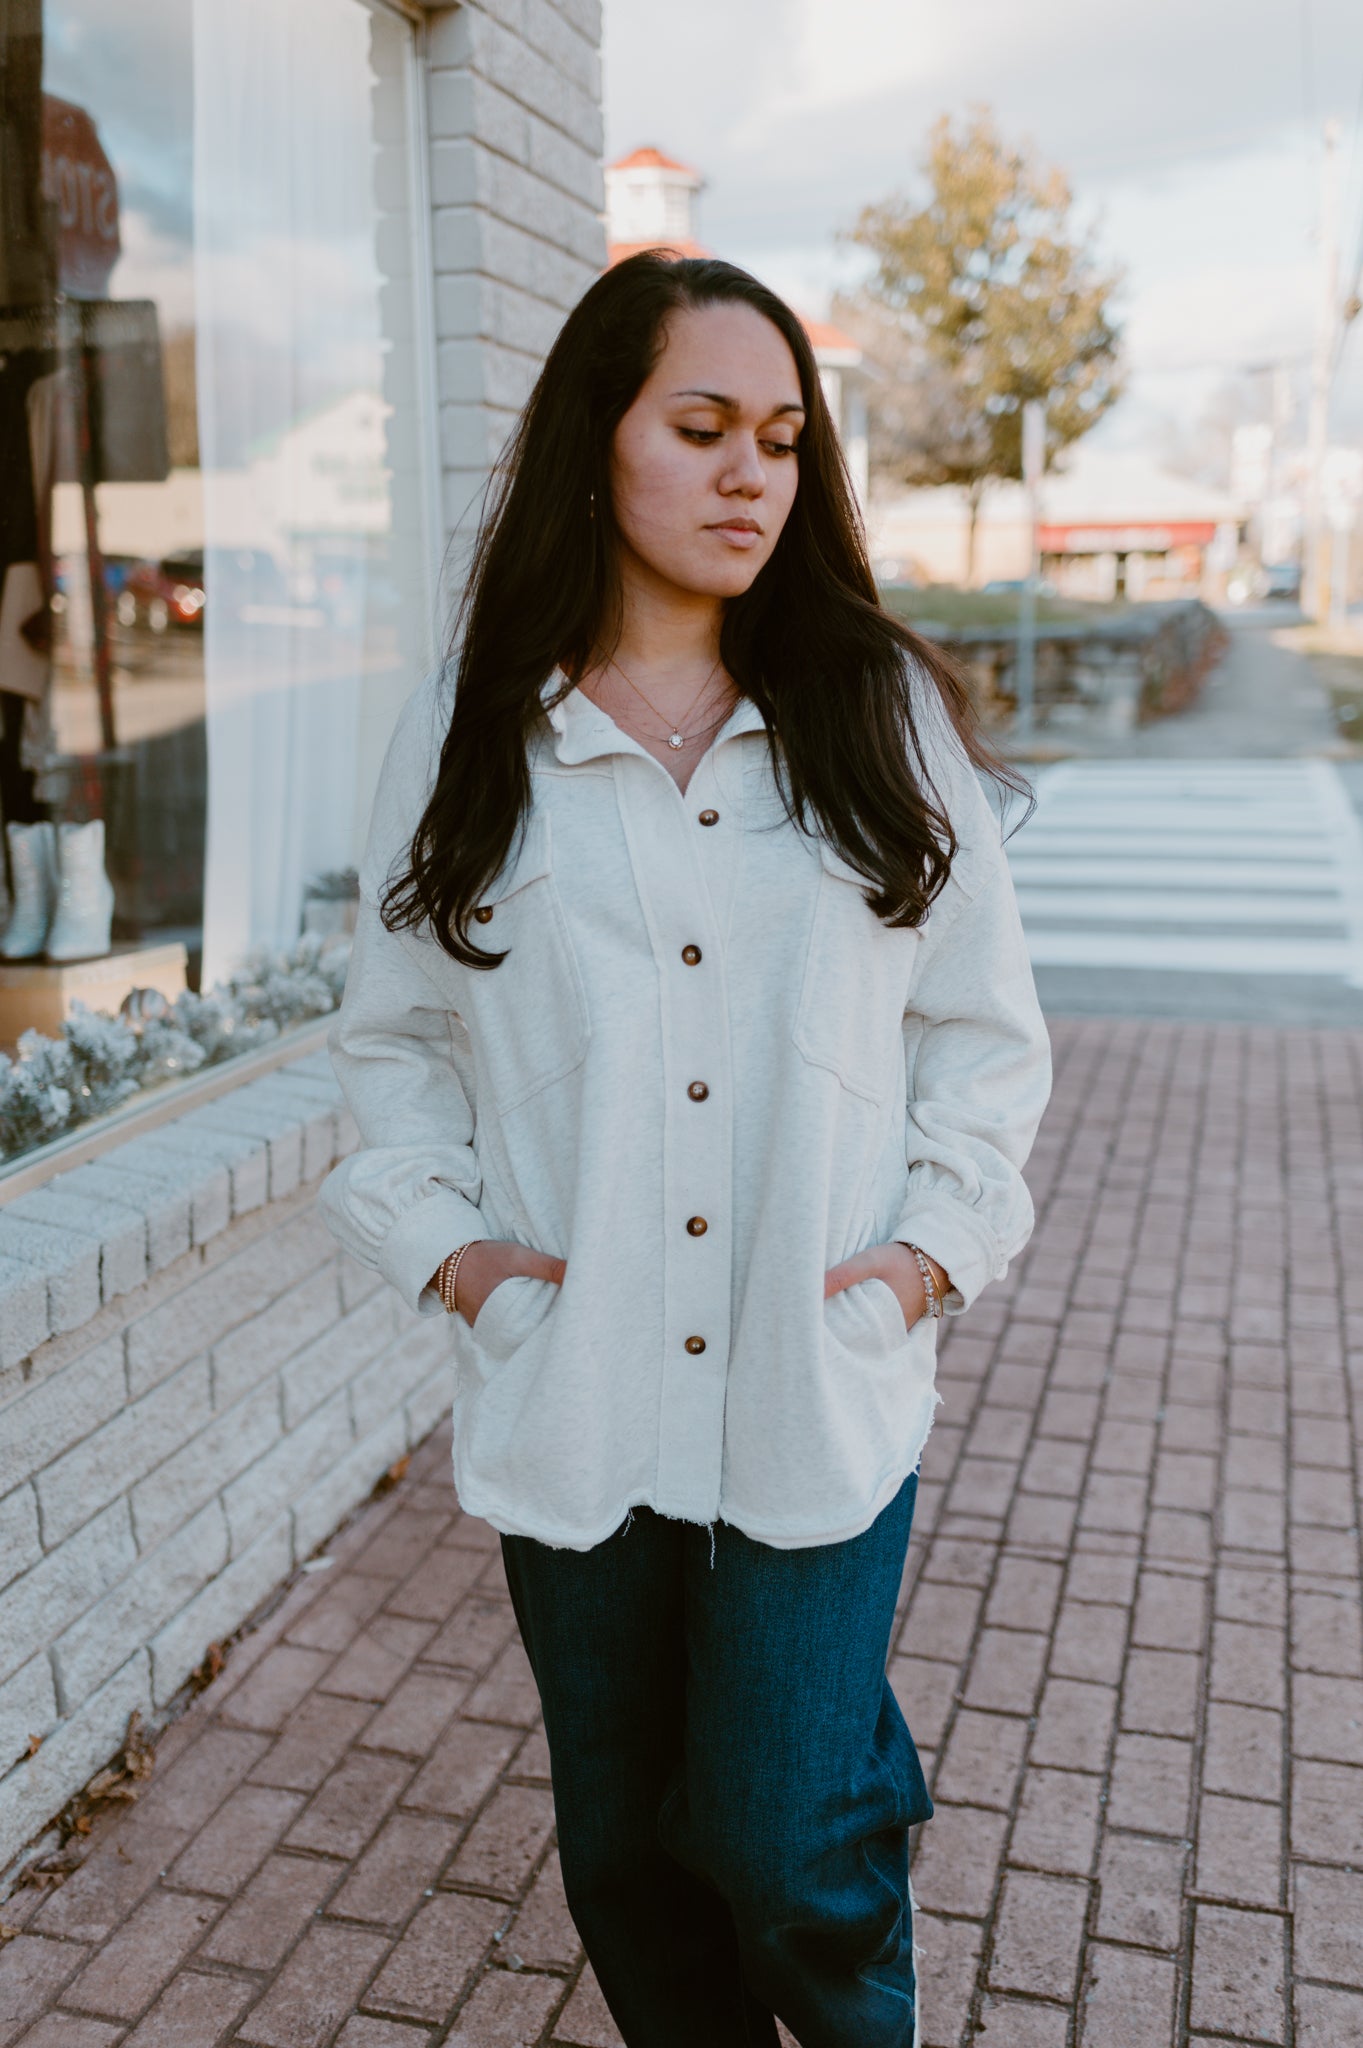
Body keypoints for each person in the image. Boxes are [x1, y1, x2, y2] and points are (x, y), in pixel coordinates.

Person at [317, 252, 1052, 2048]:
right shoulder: (473, 739)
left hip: (818, 1373)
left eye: (786, 441)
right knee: (628, 1859)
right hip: (581, 1388)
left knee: (787, 1833)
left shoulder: (869, 716)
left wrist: (924, 1260)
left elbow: (982, 1031)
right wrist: (460, 1259)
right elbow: (395, 1041)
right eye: (704, 428)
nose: (753, 477)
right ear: (598, 445)